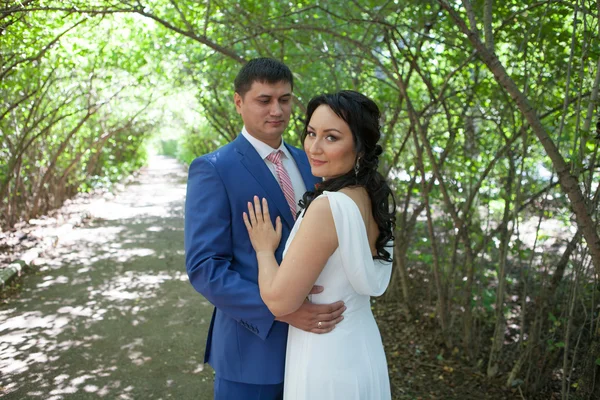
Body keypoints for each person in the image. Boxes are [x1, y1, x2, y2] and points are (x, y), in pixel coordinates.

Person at [184, 58, 346, 400]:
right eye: (264, 100)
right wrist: (283, 309)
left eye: (285, 99)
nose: (277, 110)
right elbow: (205, 268)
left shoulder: (311, 162)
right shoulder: (214, 169)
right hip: (253, 352)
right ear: (239, 102)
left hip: (318, 348)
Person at [243, 90, 396, 399]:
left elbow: (279, 302)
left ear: (361, 148)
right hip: (362, 345)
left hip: (327, 355)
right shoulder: (370, 197)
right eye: (311, 133)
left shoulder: (329, 207)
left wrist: (263, 249)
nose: (313, 147)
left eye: (331, 137)